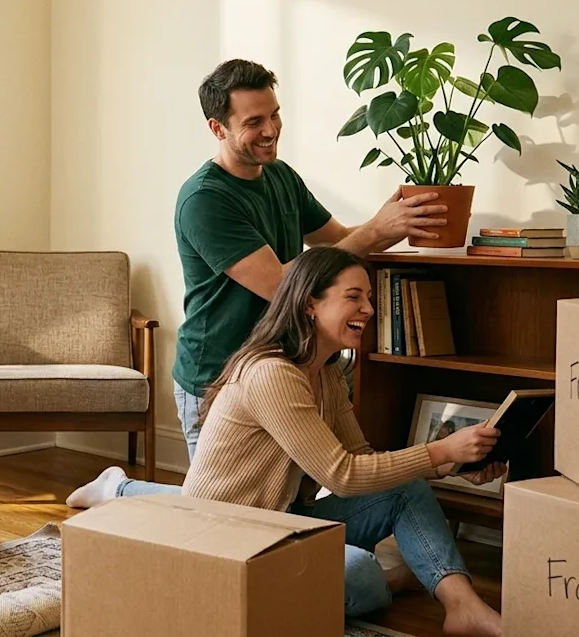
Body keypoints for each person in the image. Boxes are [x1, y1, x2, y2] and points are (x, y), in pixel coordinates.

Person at [66, 58, 448, 508]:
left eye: (274, 114)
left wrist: (392, 225)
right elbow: (285, 286)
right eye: (254, 122)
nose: (271, 129)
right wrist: (376, 231)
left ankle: (123, 492)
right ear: (217, 128)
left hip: (284, 370)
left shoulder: (282, 178)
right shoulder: (205, 199)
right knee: (216, 511)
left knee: (276, 505)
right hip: (219, 375)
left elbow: (340, 244)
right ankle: (120, 490)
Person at [182, 246, 505, 634]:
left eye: (368, 297)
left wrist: (448, 465)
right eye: (354, 297)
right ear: (309, 306)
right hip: (230, 539)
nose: (369, 309)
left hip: (282, 521)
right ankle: (396, 579)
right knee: (364, 579)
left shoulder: (328, 372)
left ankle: (463, 607)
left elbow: (361, 458)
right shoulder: (272, 374)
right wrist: (438, 450)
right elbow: (342, 476)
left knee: (408, 489)